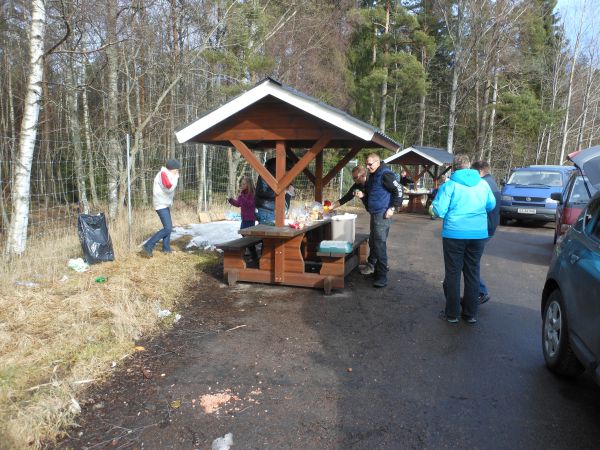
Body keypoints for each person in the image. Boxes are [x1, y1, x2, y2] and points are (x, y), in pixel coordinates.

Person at [432, 154, 496, 324]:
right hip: (478, 235)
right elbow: (491, 205)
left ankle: (452, 314)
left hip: (454, 234)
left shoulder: (450, 185)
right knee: (473, 272)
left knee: (453, 273)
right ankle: (471, 314)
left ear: (453, 167)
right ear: (469, 167)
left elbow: (439, 210)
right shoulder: (483, 184)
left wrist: (441, 212)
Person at [356, 153, 402, 288]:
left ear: (377, 162)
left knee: (379, 244)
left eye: (370, 164)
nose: (368, 167)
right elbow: (371, 193)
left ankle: (382, 276)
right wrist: (363, 196)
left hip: (382, 214)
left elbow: (398, 190)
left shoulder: (385, 174)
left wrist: (392, 208)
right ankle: (375, 269)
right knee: (374, 242)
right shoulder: (374, 174)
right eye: (367, 164)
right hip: (375, 213)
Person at [471, 160, 501, 305]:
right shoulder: (492, 182)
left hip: (484, 228)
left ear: (480, 171)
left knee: (471, 262)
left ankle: (481, 292)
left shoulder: (484, 184)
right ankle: (480, 291)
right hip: (490, 226)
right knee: (471, 261)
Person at [142, 159, 181, 257]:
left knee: (168, 227)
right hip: (160, 205)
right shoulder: (163, 175)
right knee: (168, 228)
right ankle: (148, 245)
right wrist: (176, 178)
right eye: (176, 170)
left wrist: (175, 176)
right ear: (171, 169)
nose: (177, 172)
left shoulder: (167, 174)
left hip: (164, 204)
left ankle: (166, 249)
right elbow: (169, 188)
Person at [255, 157, 292, 225]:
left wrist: (288, 192)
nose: (288, 174)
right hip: (266, 210)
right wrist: (282, 192)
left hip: (274, 211)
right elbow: (262, 192)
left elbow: (285, 200)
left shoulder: (278, 175)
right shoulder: (266, 175)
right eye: (288, 171)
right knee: (267, 233)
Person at [228, 176, 258, 259]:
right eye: (241, 184)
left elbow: (250, 204)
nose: (242, 185)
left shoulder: (251, 194)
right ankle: (250, 250)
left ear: (248, 185)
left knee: (248, 236)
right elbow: (238, 204)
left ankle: (253, 253)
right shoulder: (243, 194)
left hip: (250, 219)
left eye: (244, 184)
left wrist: (242, 197)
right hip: (244, 218)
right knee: (243, 233)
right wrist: (231, 200)